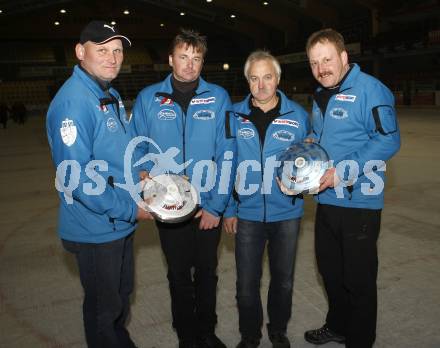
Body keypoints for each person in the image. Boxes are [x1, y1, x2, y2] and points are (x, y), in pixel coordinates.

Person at [46, 20, 152, 348]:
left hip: (116, 223)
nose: (112, 58)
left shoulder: (110, 93)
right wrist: (131, 209)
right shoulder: (74, 103)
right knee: (103, 310)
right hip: (95, 227)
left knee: (119, 299)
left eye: (117, 51)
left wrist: (138, 175)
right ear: (81, 52)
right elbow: (76, 178)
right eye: (102, 50)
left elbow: (114, 152)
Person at [132, 29, 235, 348]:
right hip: (168, 205)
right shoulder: (149, 98)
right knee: (178, 273)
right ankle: (187, 334)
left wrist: (219, 206)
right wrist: (142, 173)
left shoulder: (218, 97)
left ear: (203, 61)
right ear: (170, 59)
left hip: (207, 205)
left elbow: (227, 153)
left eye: (196, 59)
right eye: (183, 57)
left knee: (207, 271)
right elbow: (135, 145)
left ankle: (207, 329)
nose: (190, 65)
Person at [302, 28, 401, 348]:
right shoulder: (320, 94)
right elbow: (322, 135)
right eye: (315, 63)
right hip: (327, 199)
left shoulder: (372, 90)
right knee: (331, 273)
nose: (322, 68)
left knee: (358, 280)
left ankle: (359, 340)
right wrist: (312, 144)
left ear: (344, 57)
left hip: (360, 201)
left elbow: (389, 139)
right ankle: (338, 325)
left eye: (327, 60)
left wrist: (343, 172)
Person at [222, 50, 310, 348]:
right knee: (246, 285)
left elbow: (310, 163)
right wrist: (229, 208)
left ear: (278, 79)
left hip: (287, 213)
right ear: (247, 81)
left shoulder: (298, 116)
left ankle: (278, 330)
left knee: (283, 281)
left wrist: (302, 186)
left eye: (267, 77)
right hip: (246, 214)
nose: (261, 85)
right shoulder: (233, 116)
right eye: (254, 78)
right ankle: (250, 334)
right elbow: (227, 164)